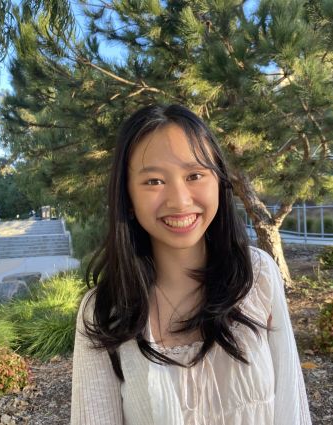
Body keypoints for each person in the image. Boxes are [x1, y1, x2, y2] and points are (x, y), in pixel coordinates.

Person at [71, 104, 312, 425]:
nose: (180, 200)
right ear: (127, 199)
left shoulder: (257, 276)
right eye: (154, 181)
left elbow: (291, 408)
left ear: (218, 182)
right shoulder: (104, 312)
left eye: (195, 175)